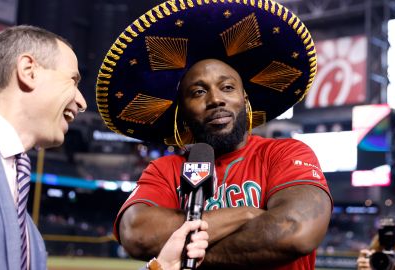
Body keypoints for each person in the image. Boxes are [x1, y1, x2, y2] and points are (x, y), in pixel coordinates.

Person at [0, 24, 208, 270]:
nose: (81, 101)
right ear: (29, 71)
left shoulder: (30, 235)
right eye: (73, 81)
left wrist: (160, 267)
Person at [95, 0, 333, 269]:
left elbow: (295, 232)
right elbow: (137, 235)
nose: (216, 99)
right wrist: (246, 214)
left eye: (228, 87)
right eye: (198, 92)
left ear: (244, 97)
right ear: (182, 111)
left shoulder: (286, 153)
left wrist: (185, 253)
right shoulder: (165, 170)